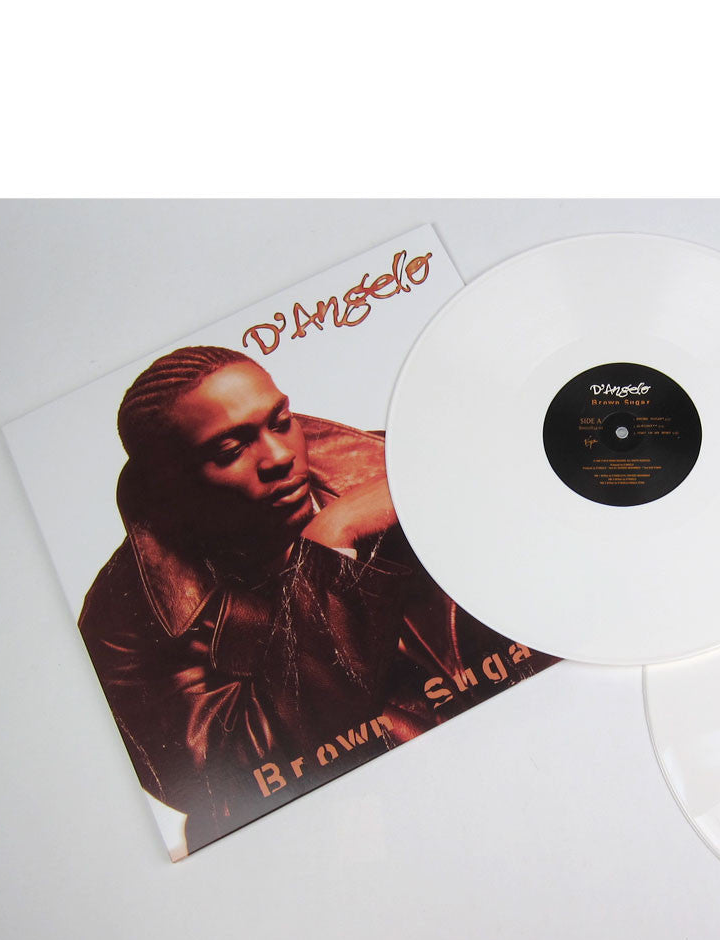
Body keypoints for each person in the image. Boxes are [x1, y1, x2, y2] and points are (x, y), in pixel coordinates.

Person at [79, 346, 555, 855]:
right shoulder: (124, 622)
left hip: (540, 758)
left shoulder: (402, 465)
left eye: (281, 422)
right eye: (230, 450)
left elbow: (559, 598)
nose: (279, 457)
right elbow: (234, 785)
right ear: (169, 485)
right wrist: (330, 543)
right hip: (374, 840)